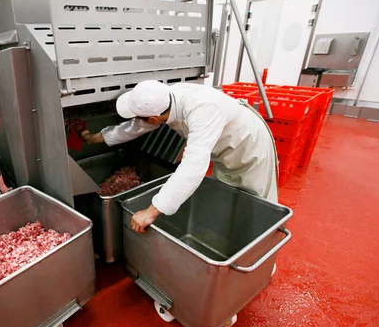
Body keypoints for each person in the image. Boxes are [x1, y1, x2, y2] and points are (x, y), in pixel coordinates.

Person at [81, 80, 278, 234]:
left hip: (248, 147)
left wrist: (152, 211)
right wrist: (95, 138)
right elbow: (135, 127)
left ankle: (262, 264)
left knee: (256, 206)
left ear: (154, 119)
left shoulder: (202, 110)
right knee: (226, 199)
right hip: (223, 151)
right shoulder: (163, 101)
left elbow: (192, 167)